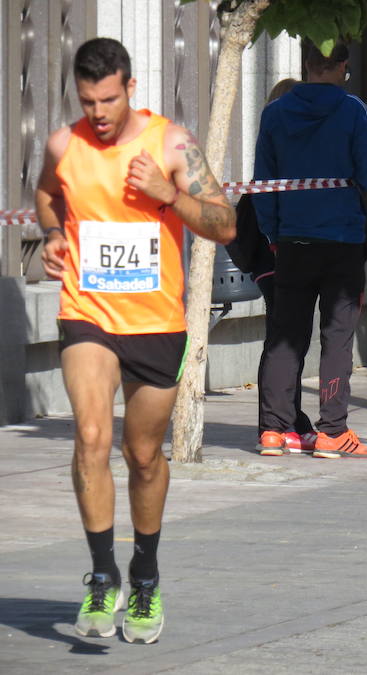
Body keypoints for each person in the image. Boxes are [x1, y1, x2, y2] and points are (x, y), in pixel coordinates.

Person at [35, 37, 236, 643]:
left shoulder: (170, 144)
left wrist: (170, 195)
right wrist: (51, 235)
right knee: (92, 436)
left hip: (156, 324)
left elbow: (225, 223)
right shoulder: (64, 145)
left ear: (130, 87)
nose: (98, 112)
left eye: (109, 99)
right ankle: (102, 575)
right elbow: (47, 194)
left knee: (143, 456)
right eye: (88, 99)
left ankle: (144, 577)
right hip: (87, 314)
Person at [253, 43, 367, 459]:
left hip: (291, 241)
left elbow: (262, 186)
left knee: (285, 335)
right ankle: (332, 431)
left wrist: (274, 234)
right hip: (342, 241)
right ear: (344, 65)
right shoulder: (352, 110)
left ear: (305, 64)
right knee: (337, 337)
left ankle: (274, 431)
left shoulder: (274, 114)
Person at [226, 78, 318, 455]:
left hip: (275, 257)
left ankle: (286, 421)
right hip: (279, 257)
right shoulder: (288, 149)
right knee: (285, 340)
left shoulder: (276, 144)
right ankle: (277, 424)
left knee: (287, 339)